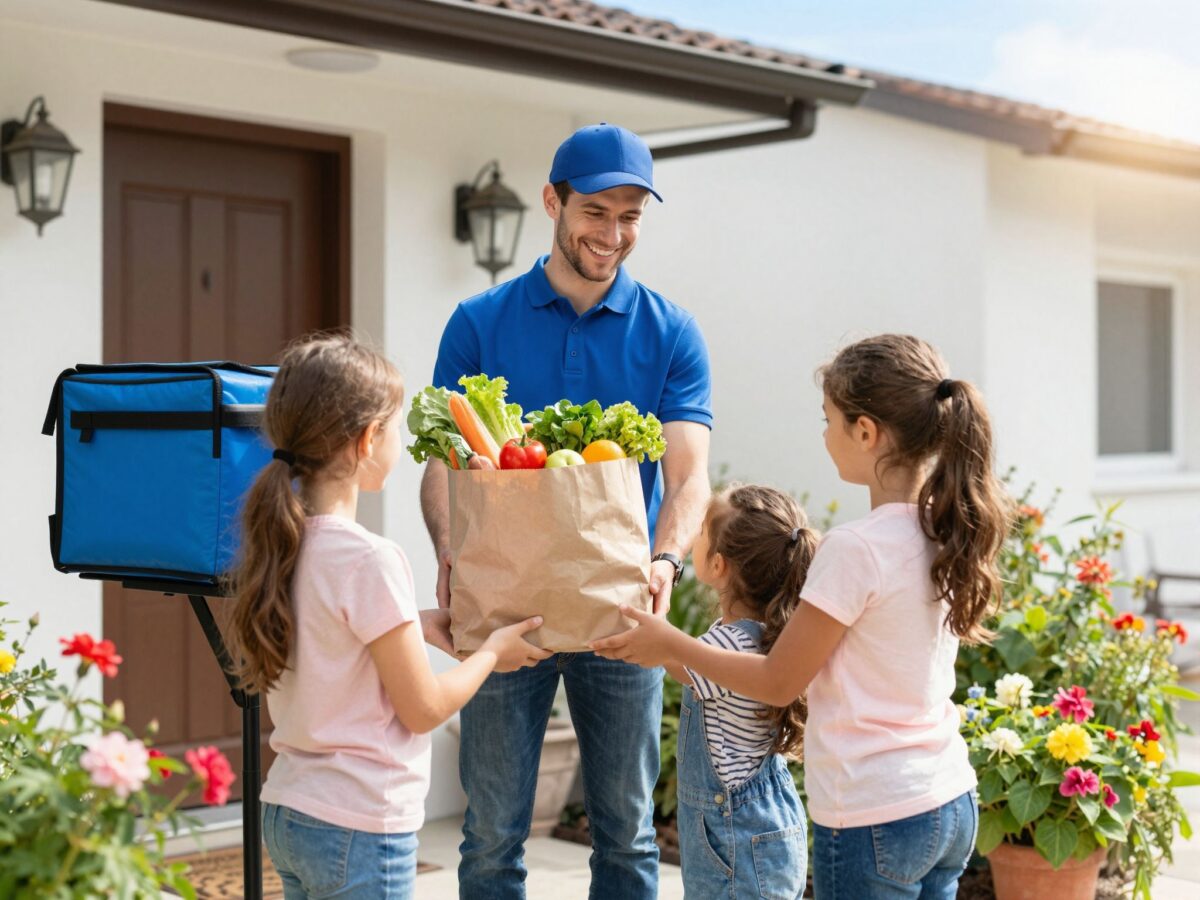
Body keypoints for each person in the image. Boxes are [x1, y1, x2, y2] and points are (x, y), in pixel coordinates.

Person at [593, 333, 1012, 899]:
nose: (824, 435)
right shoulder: (944, 528)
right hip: (948, 798)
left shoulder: (855, 549)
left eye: (829, 420)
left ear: (865, 432)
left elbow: (778, 680)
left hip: (875, 812)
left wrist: (670, 644)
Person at [421, 123, 713, 898]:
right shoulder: (478, 324)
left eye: (631, 216)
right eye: (595, 212)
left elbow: (689, 478)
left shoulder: (672, 332)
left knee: (626, 834)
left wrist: (665, 561)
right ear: (552, 201)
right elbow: (443, 466)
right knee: (491, 836)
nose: (612, 234)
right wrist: (453, 558)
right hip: (506, 605)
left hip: (619, 608)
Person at [228, 334, 551, 899]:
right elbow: (424, 708)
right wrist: (493, 653)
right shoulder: (370, 558)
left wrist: (414, 623)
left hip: (289, 810)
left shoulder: (283, 541)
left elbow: (331, 639)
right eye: (396, 429)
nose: (400, 445)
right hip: (358, 822)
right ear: (366, 440)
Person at [668, 484, 814, 899]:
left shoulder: (727, 645)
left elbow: (670, 658)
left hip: (736, 839)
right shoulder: (767, 636)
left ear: (717, 564)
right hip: (766, 825)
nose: (694, 536)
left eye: (700, 531)